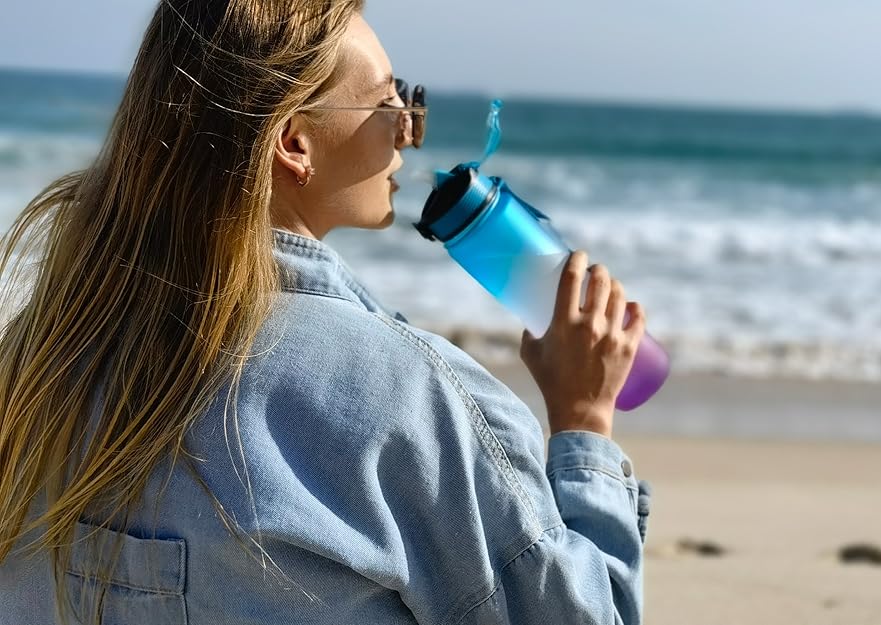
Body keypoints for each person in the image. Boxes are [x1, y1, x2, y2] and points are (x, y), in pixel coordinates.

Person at [0, 2, 650, 624]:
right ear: (292, 141)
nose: (408, 129)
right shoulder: (409, 402)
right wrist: (584, 417)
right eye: (389, 100)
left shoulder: (38, 353)